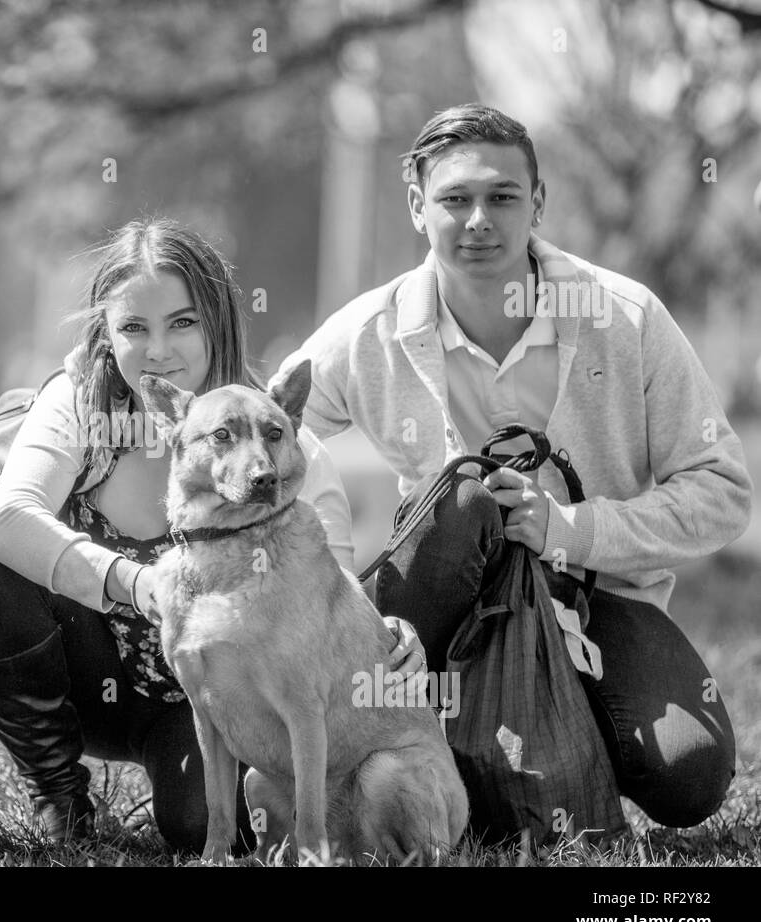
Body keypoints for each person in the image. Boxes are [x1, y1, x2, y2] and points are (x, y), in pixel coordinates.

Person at [278, 104, 751, 829]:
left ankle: (548, 750)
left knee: (691, 776)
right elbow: (269, 433)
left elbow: (722, 491)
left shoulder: (626, 318)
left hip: (601, 595)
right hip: (440, 593)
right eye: (454, 199)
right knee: (465, 498)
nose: (478, 220)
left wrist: (572, 529)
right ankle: (386, 759)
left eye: (502, 197)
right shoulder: (368, 332)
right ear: (417, 206)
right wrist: (338, 568)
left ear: (537, 202)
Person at [0, 218, 424, 851]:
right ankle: (59, 796)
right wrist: (133, 582)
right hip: (81, 675)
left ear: (218, 323)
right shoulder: (79, 405)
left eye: (182, 322)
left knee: (199, 828)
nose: (158, 350)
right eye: (133, 328)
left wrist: (392, 630)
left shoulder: (277, 444)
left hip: (211, 704)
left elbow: (330, 602)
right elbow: (9, 516)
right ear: (106, 334)